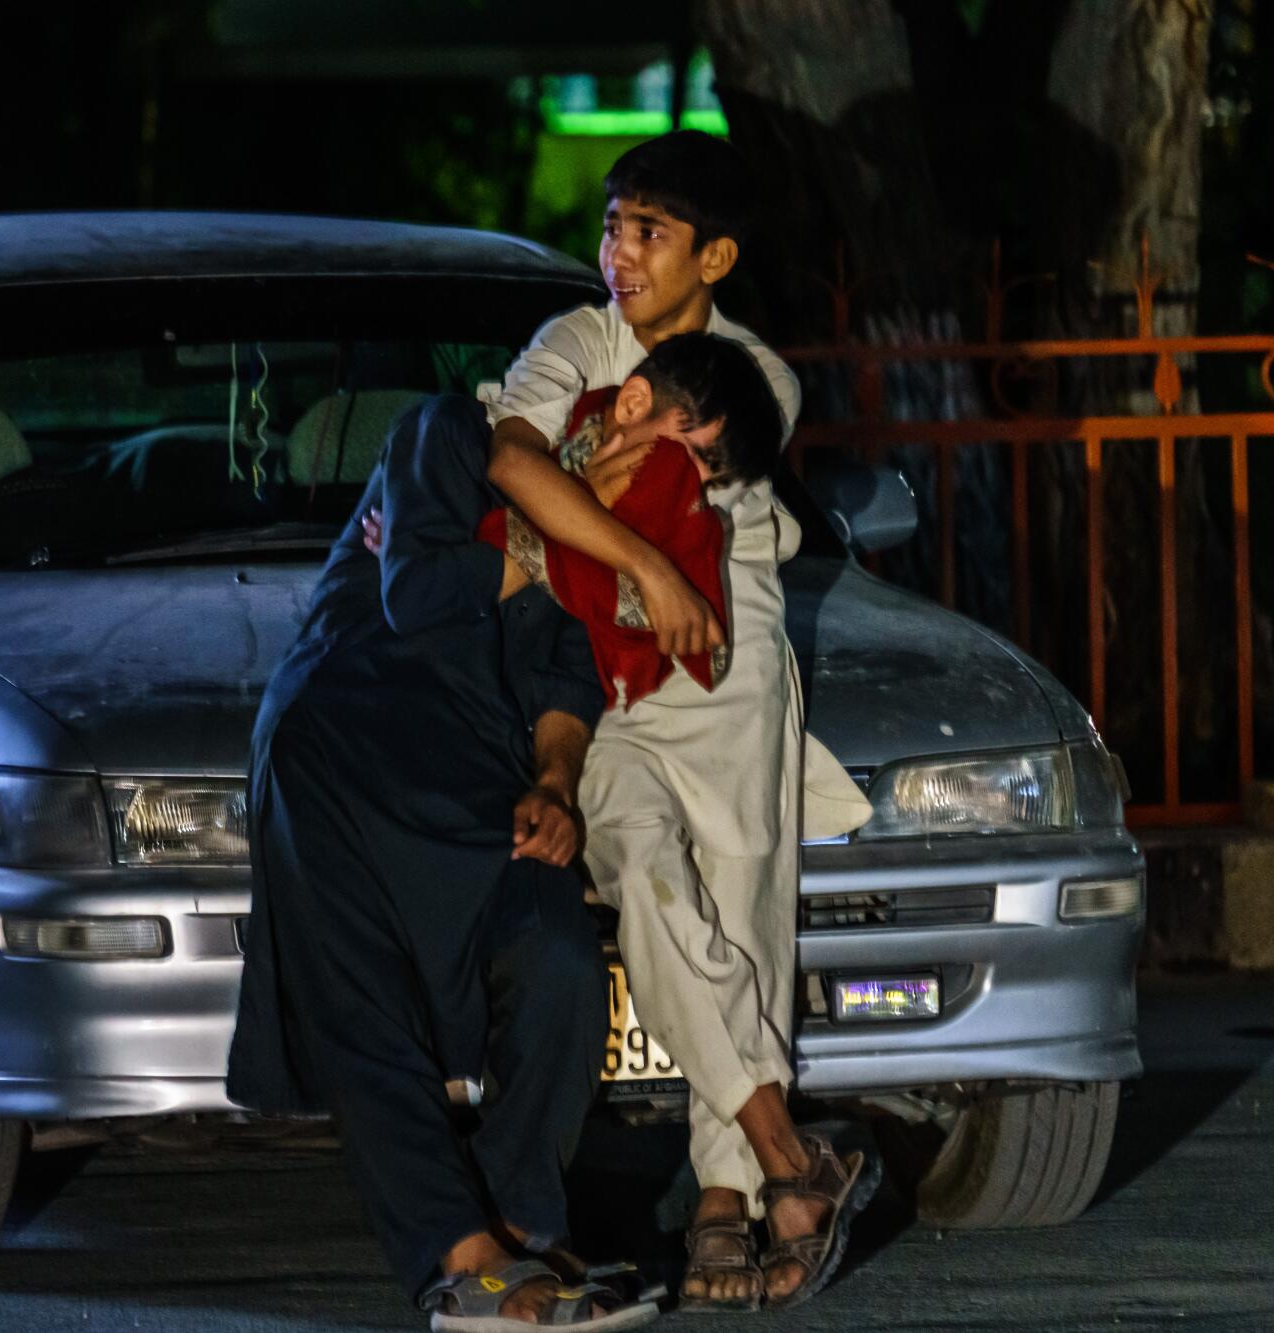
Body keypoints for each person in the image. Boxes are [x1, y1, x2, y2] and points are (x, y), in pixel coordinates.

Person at [479, 131, 877, 1311]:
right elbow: (514, 462)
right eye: (612, 227)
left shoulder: (752, 375)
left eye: (647, 232)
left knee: (736, 913)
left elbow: (592, 484)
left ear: (715, 255)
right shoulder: (569, 341)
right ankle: (785, 1163)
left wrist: (597, 508)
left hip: (728, 665)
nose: (618, 253)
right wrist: (643, 567)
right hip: (610, 681)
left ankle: (727, 1199)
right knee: (647, 881)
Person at [227, 391, 696, 1331]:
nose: (633, 452)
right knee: (368, 1015)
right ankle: (464, 1254)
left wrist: (556, 787)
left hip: (474, 775)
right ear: (581, 411)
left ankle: (521, 1222)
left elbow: (567, 682)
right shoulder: (446, 434)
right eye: (630, 421)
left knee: (558, 951)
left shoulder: (596, 546)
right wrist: (554, 533)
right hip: (340, 745)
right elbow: (420, 593)